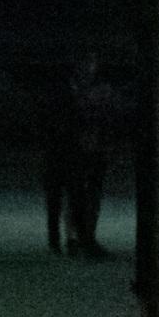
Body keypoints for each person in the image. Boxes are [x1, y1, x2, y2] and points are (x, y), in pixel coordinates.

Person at [40, 54, 109, 259]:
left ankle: (84, 237)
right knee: (75, 196)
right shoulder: (71, 92)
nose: (88, 68)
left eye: (91, 63)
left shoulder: (94, 90)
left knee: (88, 196)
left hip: (91, 148)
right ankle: (74, 239)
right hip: (75, 150)